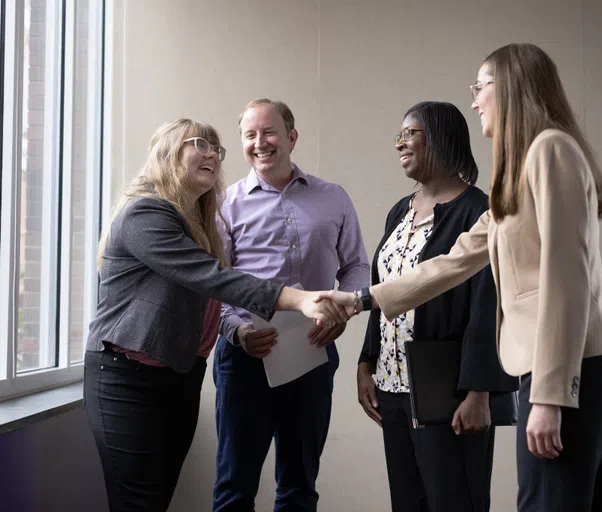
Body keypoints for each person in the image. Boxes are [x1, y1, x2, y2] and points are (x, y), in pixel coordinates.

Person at [320, 43, 602, 512]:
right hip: (583, 362)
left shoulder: (550, 150)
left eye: (481, 87)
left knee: (550, 502)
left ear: (509, 87)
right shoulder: (520, 171)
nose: (474, 102)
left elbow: (565, 279)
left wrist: (551, 396)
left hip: (574, 364)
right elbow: (456, 260)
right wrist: (362, 300)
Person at [83, 118, 344, 512]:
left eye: (216, 149)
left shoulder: (196, 221)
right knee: (140, 503)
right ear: (169, 152)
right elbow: (214, 279)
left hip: (178, 377)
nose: (212, 155)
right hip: (126, 378)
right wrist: (298, 300)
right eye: (200, 145)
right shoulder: (146, 212)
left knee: (158, 498)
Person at [358, 101, 518, 512]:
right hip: (393, 387)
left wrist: (479, 391)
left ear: (442, 138)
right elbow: (386, 288)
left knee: (454, 501)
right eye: (399, 136)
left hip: (450, 393)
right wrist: (366, 361)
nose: (400, 144)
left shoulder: (479, 210)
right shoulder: (400, 210)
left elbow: (489, 309)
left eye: (410, 133)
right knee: (408, 503)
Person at [212, 99, 369, 512]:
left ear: (292, 137)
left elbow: (356, 266)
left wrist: (345, 312)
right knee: (234, 486)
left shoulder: (333, 197)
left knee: (300, 485)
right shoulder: (224, 206)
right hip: (244, 357)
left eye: (269, 132)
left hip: (313, 351)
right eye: (250, 135)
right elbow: (214, 286)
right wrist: (238, 331)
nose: (259, 143)